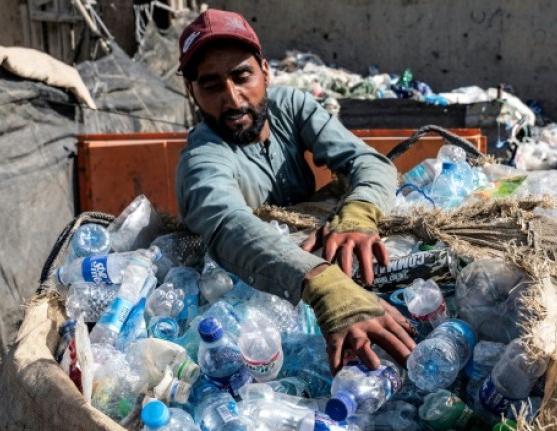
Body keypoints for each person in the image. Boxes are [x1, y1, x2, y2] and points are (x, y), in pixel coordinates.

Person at [174, 9, 415, 374]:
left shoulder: (290, 107)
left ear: (265, 71)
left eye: (243, 76)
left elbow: (369, 162)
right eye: (211, 86)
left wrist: (359, 215)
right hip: (262, 297)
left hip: (315, 253)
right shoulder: (202, 157)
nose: (234, 99)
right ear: (192, 92)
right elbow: (227, 225)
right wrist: (323, 283)